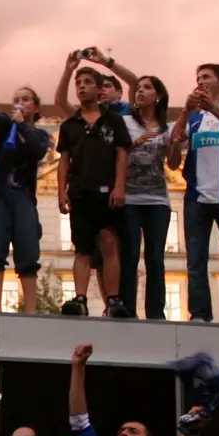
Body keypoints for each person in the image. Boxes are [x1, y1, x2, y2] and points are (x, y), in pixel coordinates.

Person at [165, 63, 219, 323]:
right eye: (198, 78)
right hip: (196, 197)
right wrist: (184, 113)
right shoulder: (194, 119)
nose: (200, 81)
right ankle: (200, 313)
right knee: (195, 259)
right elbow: (172, 160)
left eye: (206, 77)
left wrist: (212, 108)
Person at [55, 65, 132, 318]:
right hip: (80, 191)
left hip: (107, 191)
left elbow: (122, 154)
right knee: (83, 247)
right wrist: (61, 191)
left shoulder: (114, 120)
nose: (82, 87)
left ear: (100, 89)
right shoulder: (70, 125)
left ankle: (113, 300)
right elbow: (64, 160)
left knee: (109, 242)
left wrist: (120, 186)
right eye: (79, 83)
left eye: (88, 82)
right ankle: (80, 299)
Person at [0, 86, 51, 314]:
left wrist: (22, 125)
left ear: (35, 107)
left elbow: (36, 150)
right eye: (16, 99)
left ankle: (30, 310)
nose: (20, 103)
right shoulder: (6, 126)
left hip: (23, 197)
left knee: (27, 249)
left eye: (25, 100)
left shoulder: (40, 135)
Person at [117, 75, 175, 320]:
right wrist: (133, 144)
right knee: (129, 256)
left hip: (157, 200)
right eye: (137, 88)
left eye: (146, 88)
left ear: (158, 95)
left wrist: (174, 144)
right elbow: (115, 155)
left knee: (155, 259)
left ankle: (155, 313)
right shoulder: (124, 122)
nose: (140, 91)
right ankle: (127, 310)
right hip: (129, 198)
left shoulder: (168, 127)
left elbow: (173, 163)